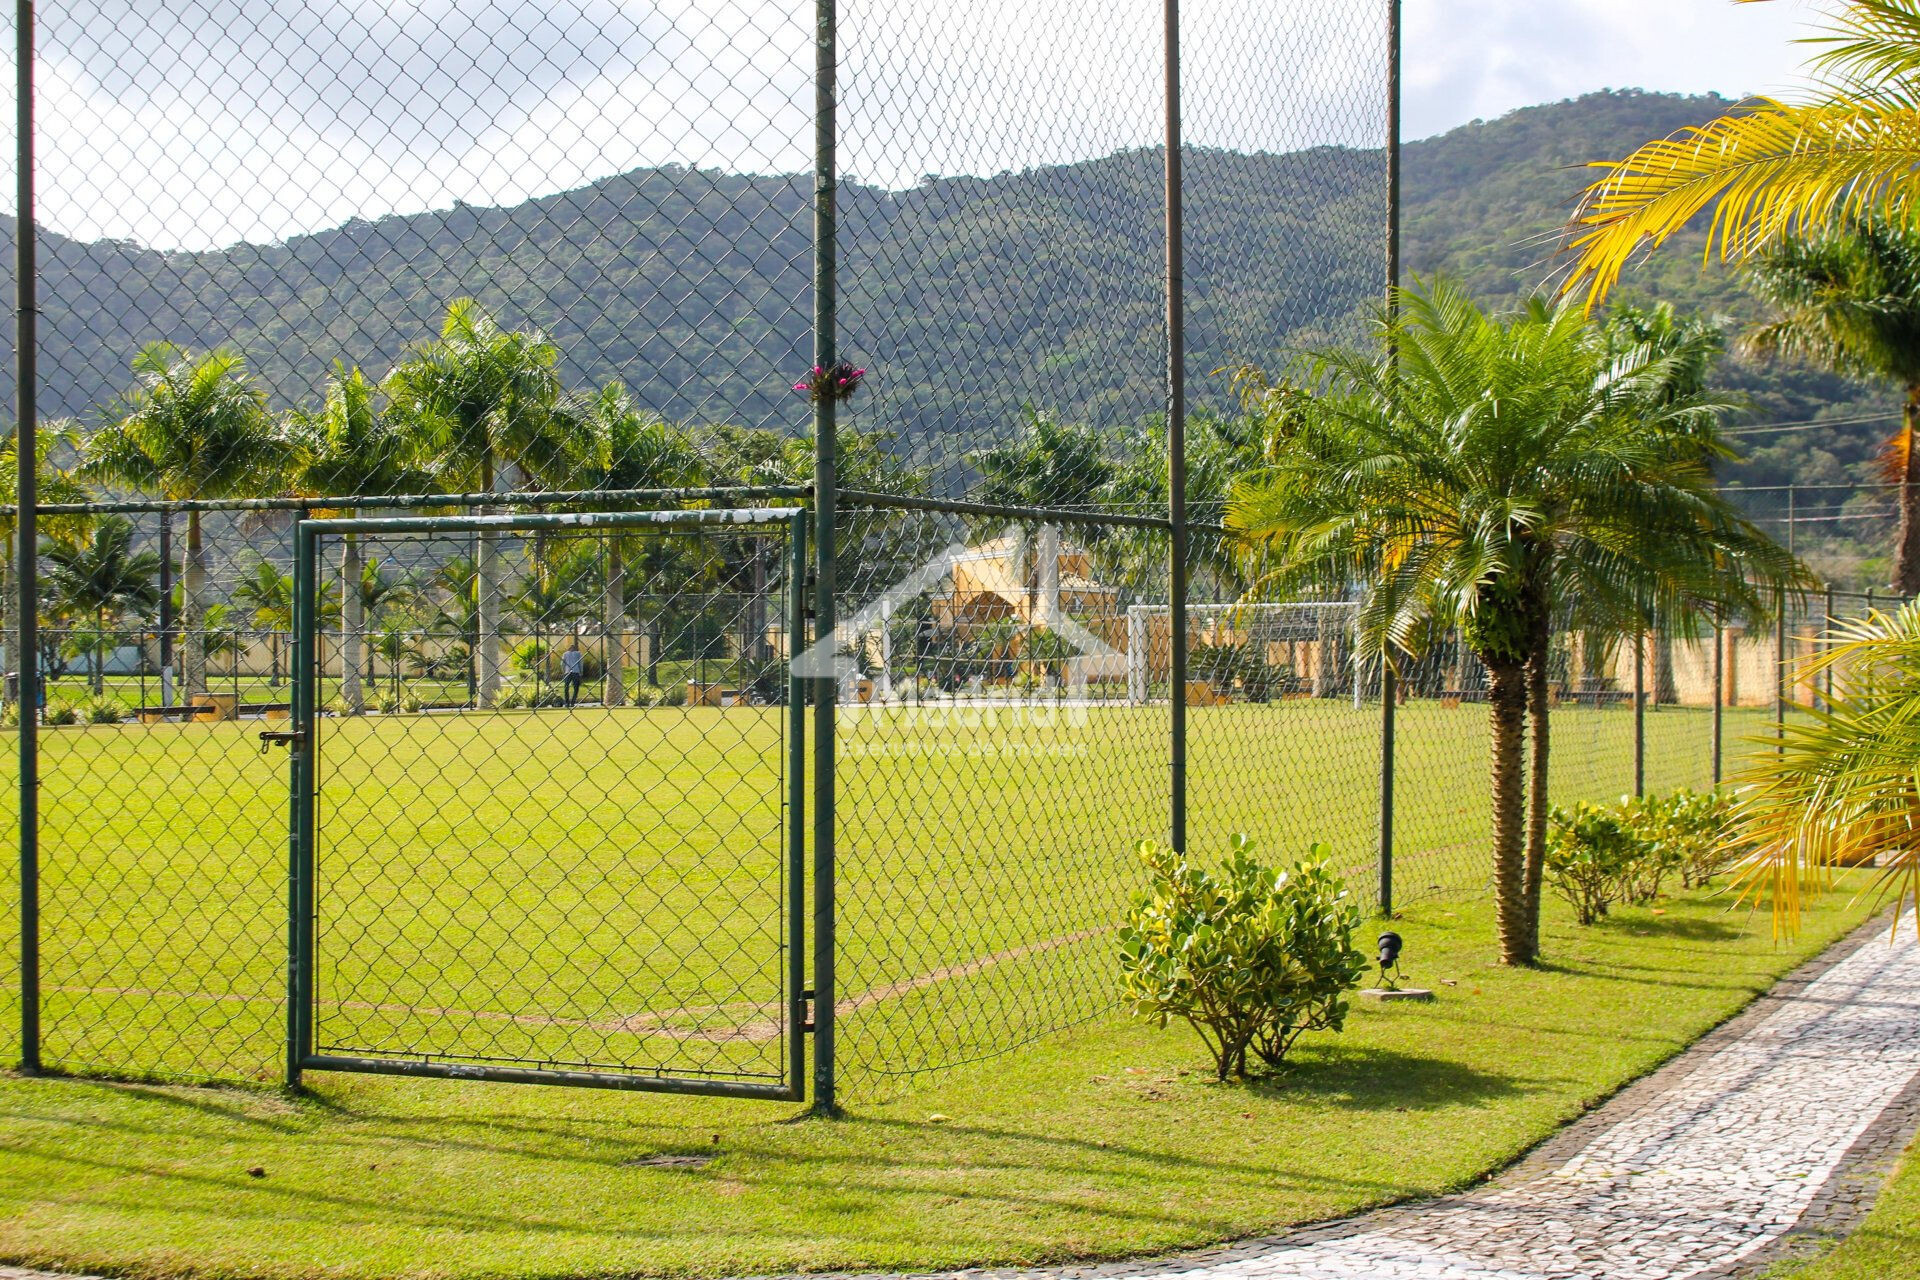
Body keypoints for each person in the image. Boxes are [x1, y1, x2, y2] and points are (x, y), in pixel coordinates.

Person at [561, 638, 585, 708]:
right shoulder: (578, 653)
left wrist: (563, 671)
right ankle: (573, 702)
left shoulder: (565, 654)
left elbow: (562, 664)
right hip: (576, 671)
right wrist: (581, 671)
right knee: (576, 687)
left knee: (566, 687)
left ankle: (567, 702)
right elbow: (581, 663)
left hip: (567, 672)